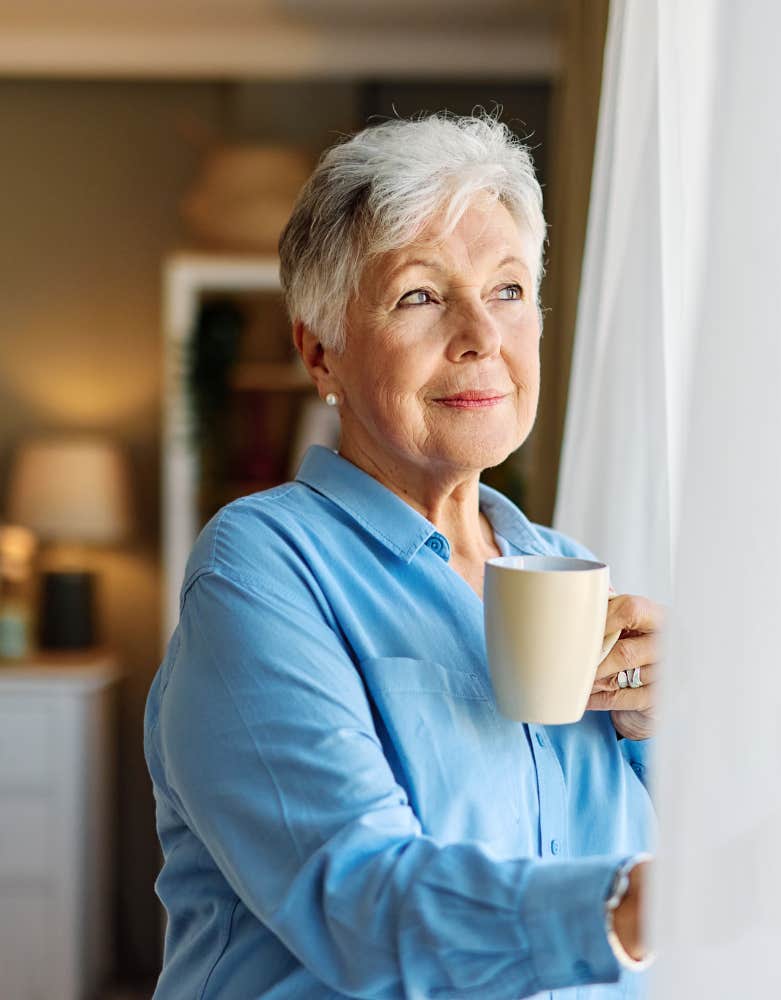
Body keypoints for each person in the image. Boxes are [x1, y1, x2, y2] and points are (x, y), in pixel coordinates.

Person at [144, 110, 663, 999]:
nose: (482, 336)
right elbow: (357, 897)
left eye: (507, 291)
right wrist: (619, 912)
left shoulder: (567, 570)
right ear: (320, 353)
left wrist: (677, 727)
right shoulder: (261, 567)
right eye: (421, 296)